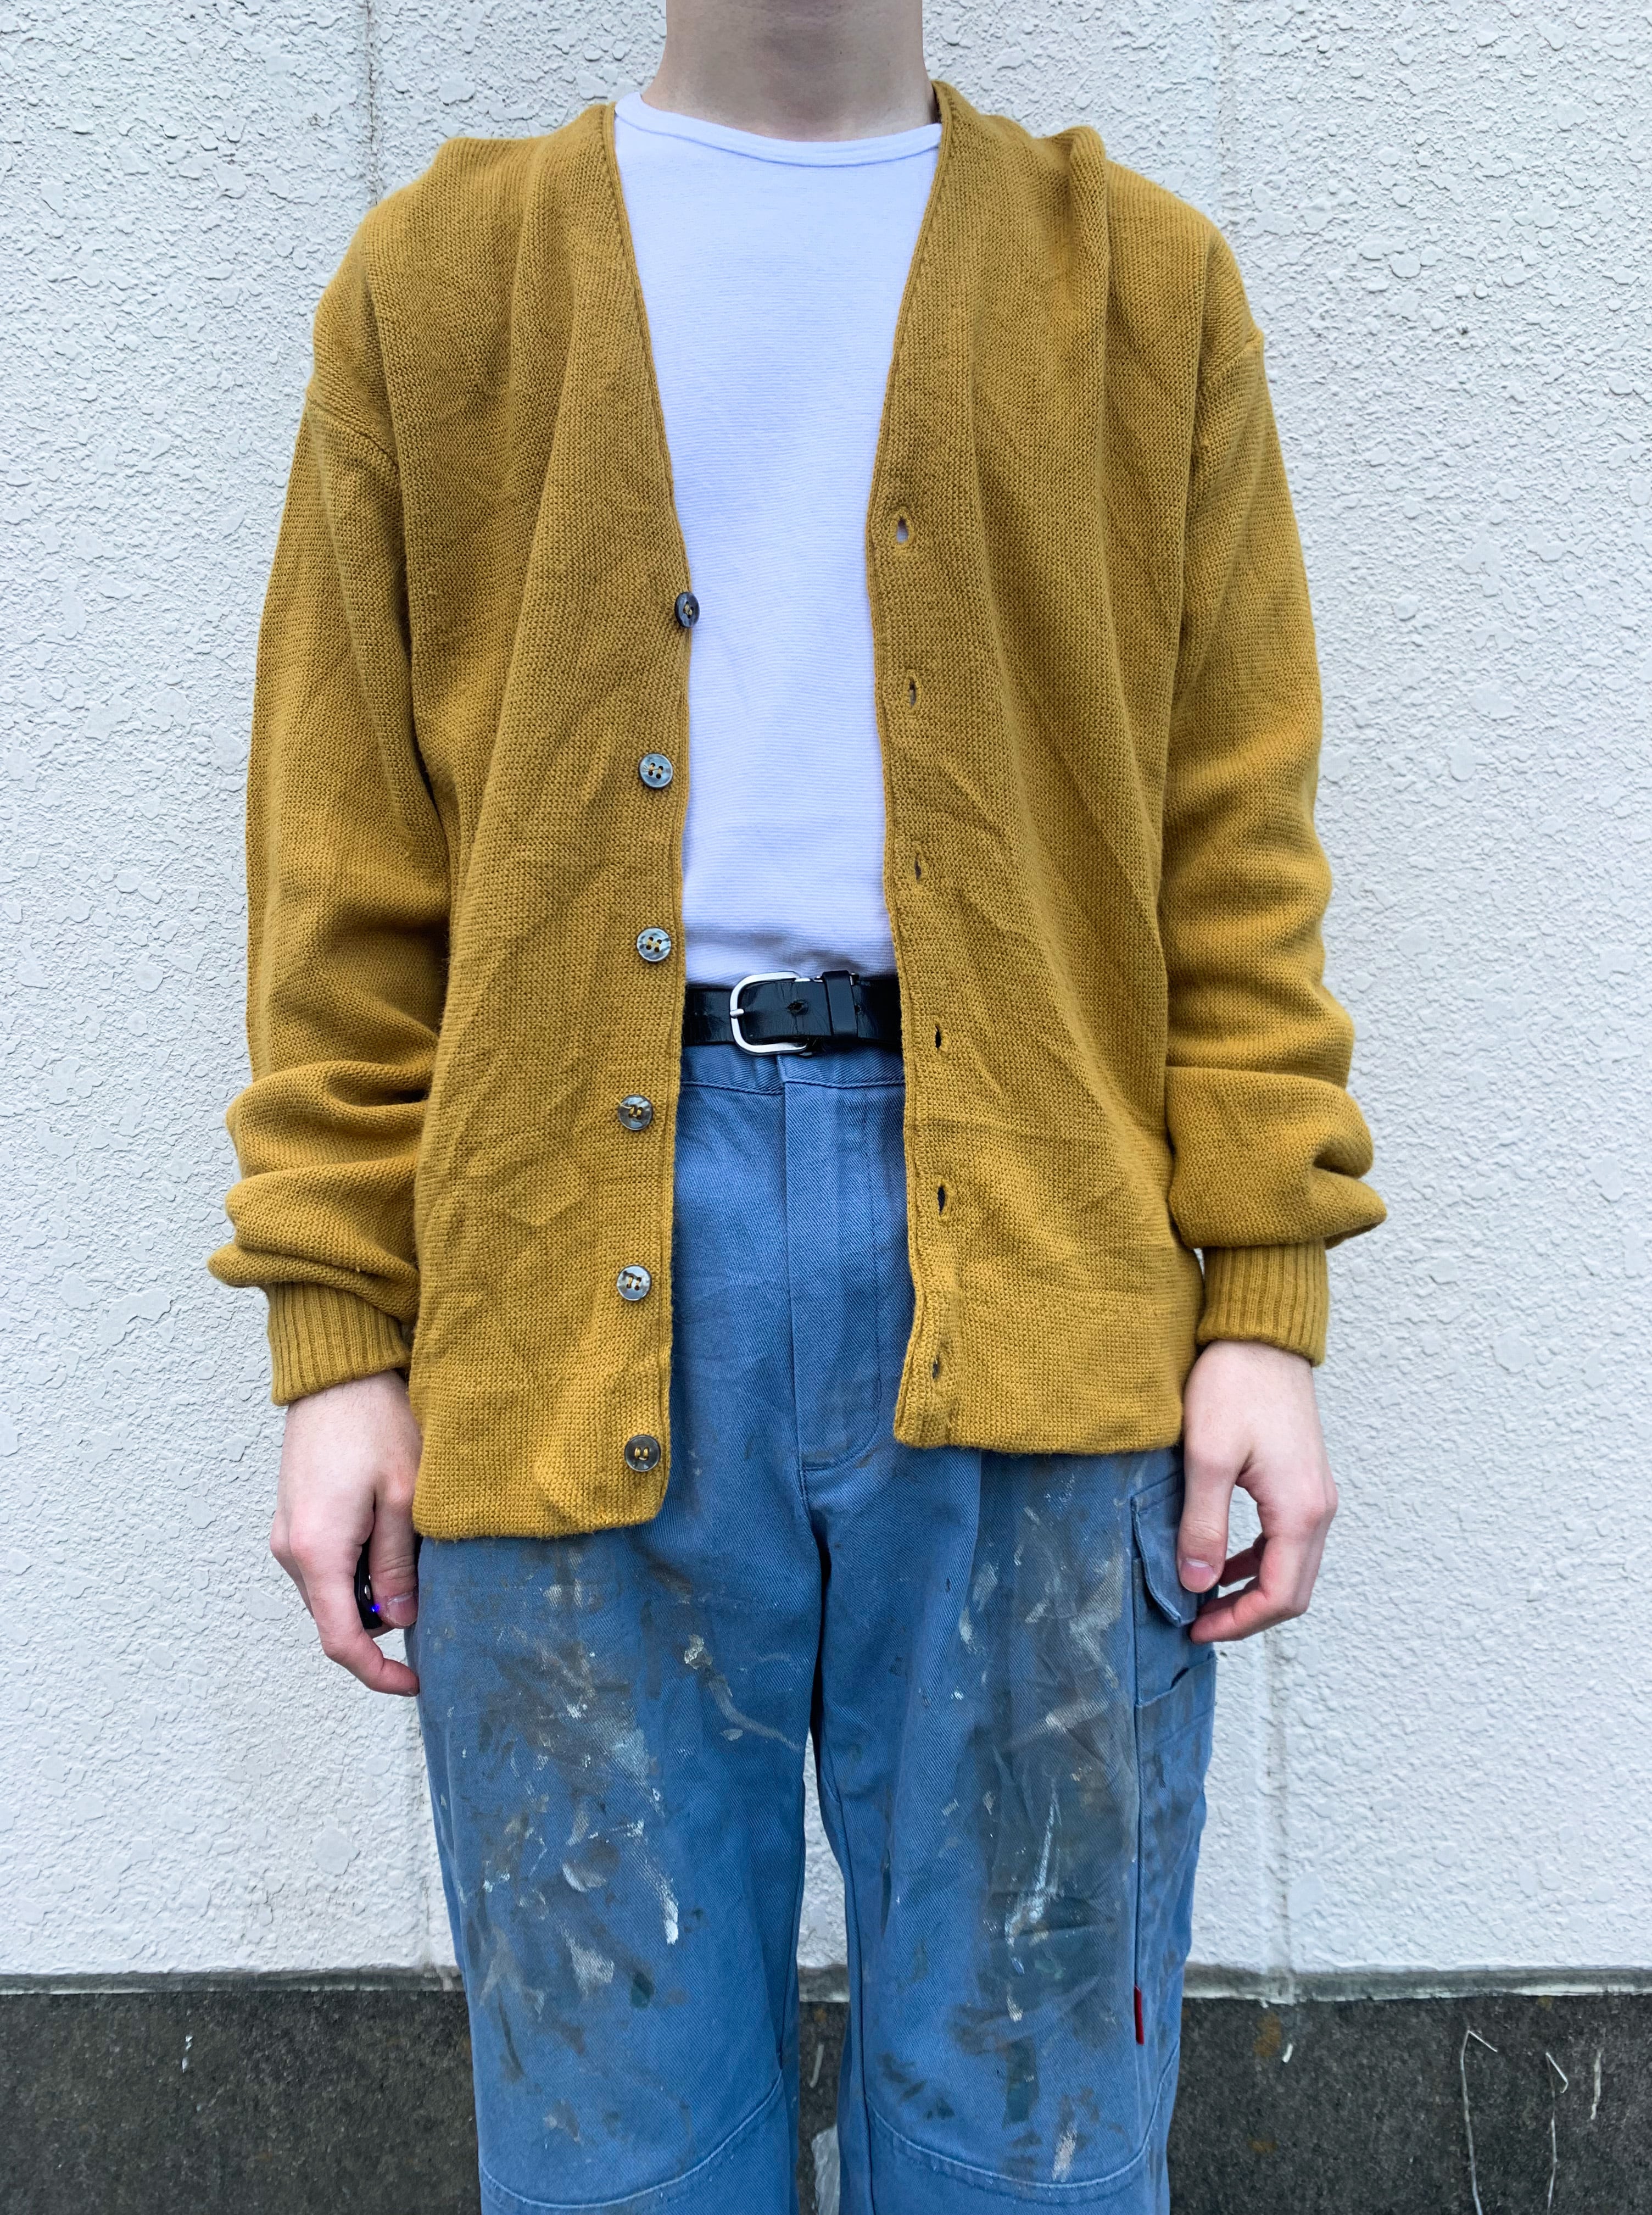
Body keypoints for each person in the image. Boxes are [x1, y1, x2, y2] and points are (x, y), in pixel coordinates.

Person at [212, 0, 1383, 2205]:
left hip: (1038, 1262)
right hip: (559, 1270)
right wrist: (338, 1335)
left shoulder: (1137, 287)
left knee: (1034, 2142)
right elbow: (347, 866)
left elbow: (1233, 845)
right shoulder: (438, 288)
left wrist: (1261, 1297)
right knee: (617, 2153)